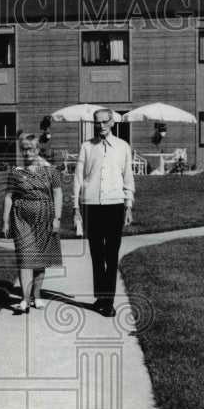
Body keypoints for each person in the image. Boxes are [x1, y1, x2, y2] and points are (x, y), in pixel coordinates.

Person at [72, 108, 135, 317]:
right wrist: (75, 208)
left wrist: (128, 206)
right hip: (91, 205)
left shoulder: (122, 147)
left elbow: (128, 178)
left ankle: (108, 301)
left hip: (115, 205)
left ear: (112, 123)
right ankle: (101, 295)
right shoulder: (86, 147)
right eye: (96, 122)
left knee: (112, 254)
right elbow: (78, 178)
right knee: (97, 254)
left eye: (104, 122)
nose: (100, 126)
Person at [2, 134, 63, 313]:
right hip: (21, 218)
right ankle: (24, 299)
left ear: (37, 150)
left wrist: (57, 219)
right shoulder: (16, 171)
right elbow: (8, 196)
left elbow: (58, 194)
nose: (27, 153)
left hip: (45, 216)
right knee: (25, 257)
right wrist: (5, 221)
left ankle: (37, 296)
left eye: (31, 149)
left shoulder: (50, 170)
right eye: (24, 149)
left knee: (40, 258)